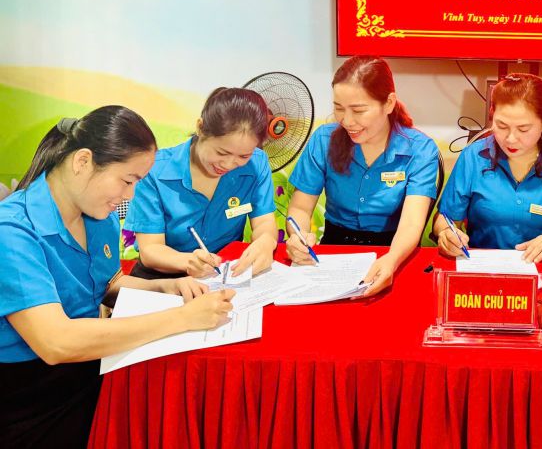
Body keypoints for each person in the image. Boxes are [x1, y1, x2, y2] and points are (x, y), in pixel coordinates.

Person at [0, 107, 234, 447]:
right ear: (83, 161)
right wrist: (182, 318)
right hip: (30, 395)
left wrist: (166, 287)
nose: (130, 196)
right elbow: (56, 342)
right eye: (127, 180)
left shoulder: (99, 215)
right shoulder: (12, 231)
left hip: (90, 367)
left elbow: (107, 285)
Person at [285, 56, 440, 296]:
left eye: (358, 110)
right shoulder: (323, 140)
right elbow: (300, 209)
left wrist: (391, 260)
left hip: (393, 249)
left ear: (388, 103)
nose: (347, 121)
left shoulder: (420, 149)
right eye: (339, 108)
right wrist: (297, 237)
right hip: (335, 248)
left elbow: (411, 223)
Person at [125, 87, 279, 279]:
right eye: (222, 153)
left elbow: (264, 222)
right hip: (163, 277)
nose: (229, 164)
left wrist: (266, 241)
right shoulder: (154, 170)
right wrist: (187, 262)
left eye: (243, 156)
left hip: (224, 274)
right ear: (200, 127)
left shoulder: (257, 164)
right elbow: (151, 250)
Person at [434, 74, 542, 260]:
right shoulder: (473, 157)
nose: (511, 139)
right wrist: (446, 233)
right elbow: (445, 219)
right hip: (483, 266)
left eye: (523, 129)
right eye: (501, 126)